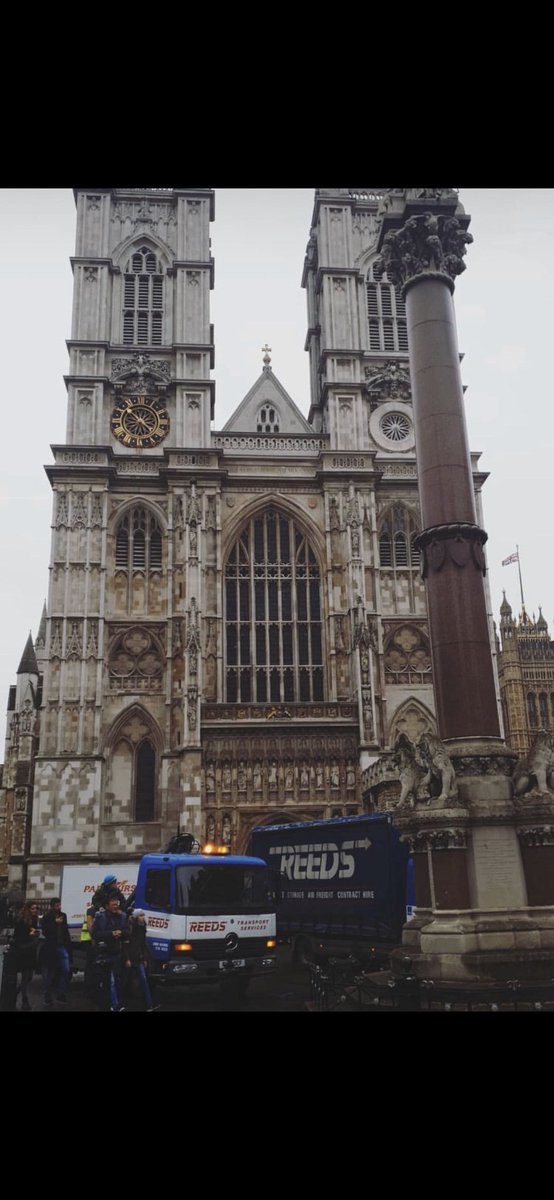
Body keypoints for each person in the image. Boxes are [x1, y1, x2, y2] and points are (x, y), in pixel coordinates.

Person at [91, 896, 129, 1011]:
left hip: (117, 953)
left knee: (117, 980)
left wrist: (121, 933)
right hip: (105, 954)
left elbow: (127, 932)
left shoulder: (122, 917)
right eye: (113, 905)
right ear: (107, 906)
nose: (116, 906)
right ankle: (113, 1005)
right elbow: (95, 934)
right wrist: (111, 934)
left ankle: (116, 1004)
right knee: (108, 981)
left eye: (117, 904)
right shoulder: (101, 917)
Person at [124, 910, 159, 1011]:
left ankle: (149, 1005)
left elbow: (143, 944)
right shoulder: (131, 928)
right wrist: (127, 958)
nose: (143, 917)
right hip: (131, 957)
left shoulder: (142, 927)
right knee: (125, 980)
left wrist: (144, 958)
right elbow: (127, 945)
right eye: (141, 915)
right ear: (136, 917)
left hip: (138, 958)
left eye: (143, 915)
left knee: (144, 980)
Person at [40, 898, 73, 1005]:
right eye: (57, 906)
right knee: (49, 974)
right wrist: (55, 923)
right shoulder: (47, 917)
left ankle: (61, 992)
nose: (59, 907)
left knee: (66, 970)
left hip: (62, 946)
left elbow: (65, 931)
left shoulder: (63, 915)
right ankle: (47, 996)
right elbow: (45, 932)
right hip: (51, 948)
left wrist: (69, 945)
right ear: (52, 906)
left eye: (59, 905)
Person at [12, 901, 41, 1010]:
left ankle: (15, 993)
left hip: (31, 951)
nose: (35, 910)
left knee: (29, 977)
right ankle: (25, 1000)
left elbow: (33, 933)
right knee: (25, 977)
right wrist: (30, 934)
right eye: (33, 908)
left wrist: (35, 933)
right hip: (23, 951)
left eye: (36, 908)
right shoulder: (21, 921)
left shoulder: (34, 920)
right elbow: (18, 937)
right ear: (28, 909)